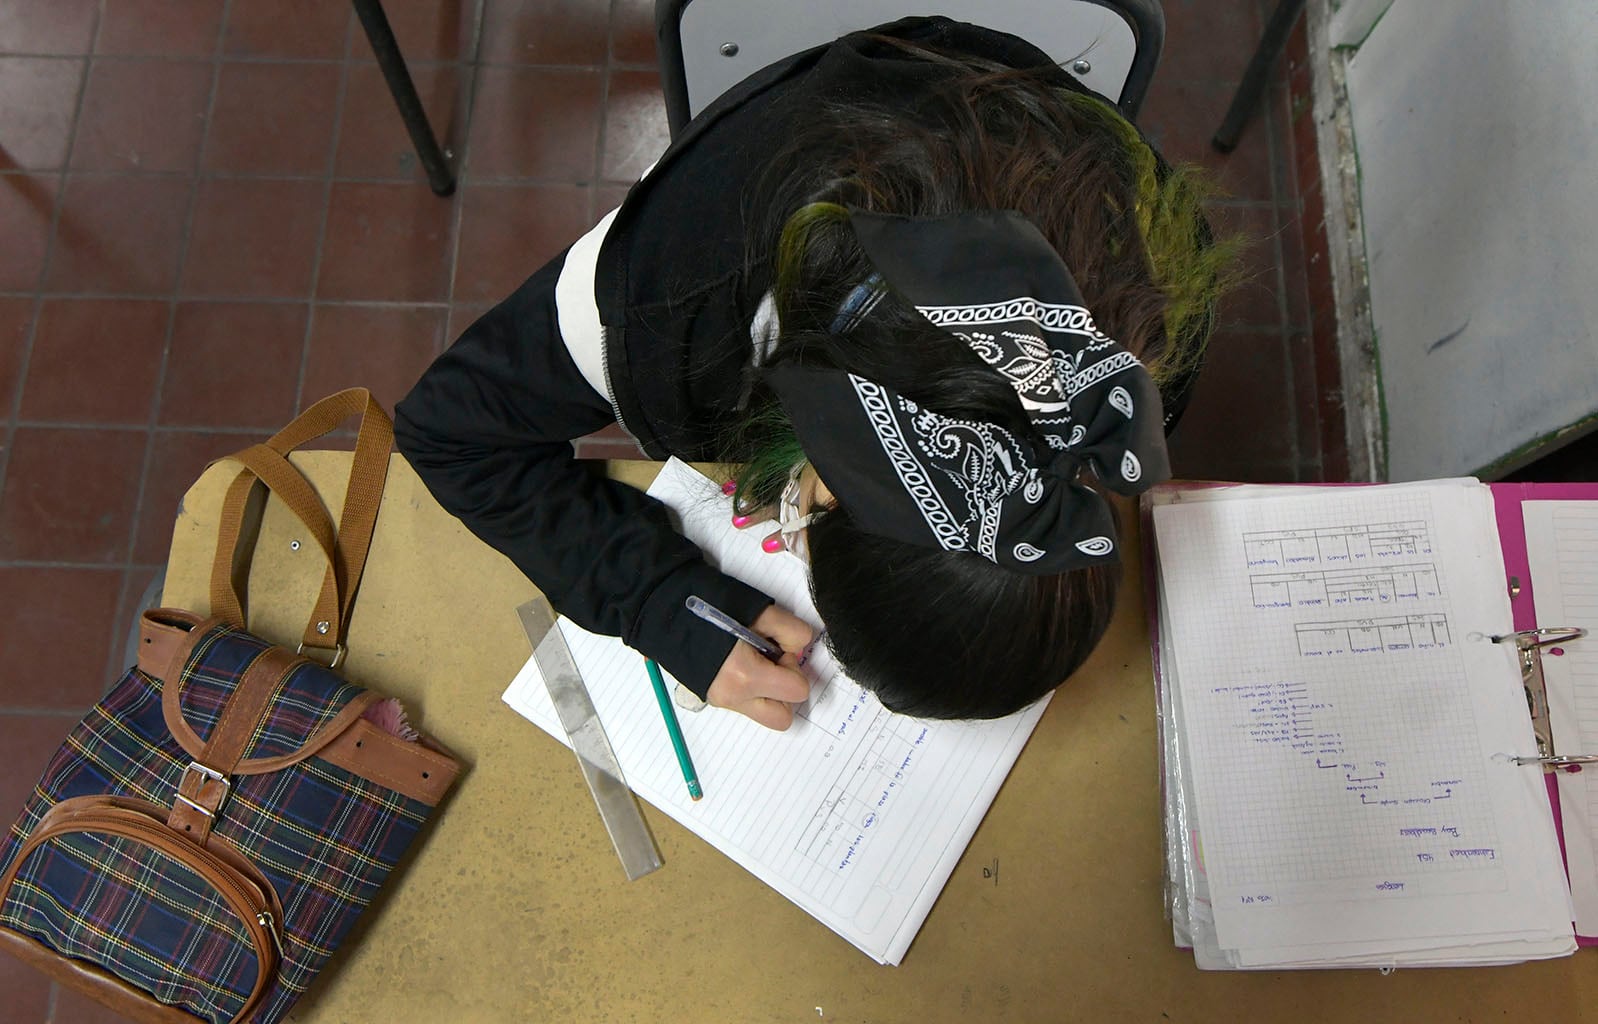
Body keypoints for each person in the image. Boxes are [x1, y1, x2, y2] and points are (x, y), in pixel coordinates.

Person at [395, 16, 1233, 730]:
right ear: (825, 482)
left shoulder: (1148, 348)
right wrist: (653, 599)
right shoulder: (669, 300)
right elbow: (449, 432)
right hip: (784, 161)